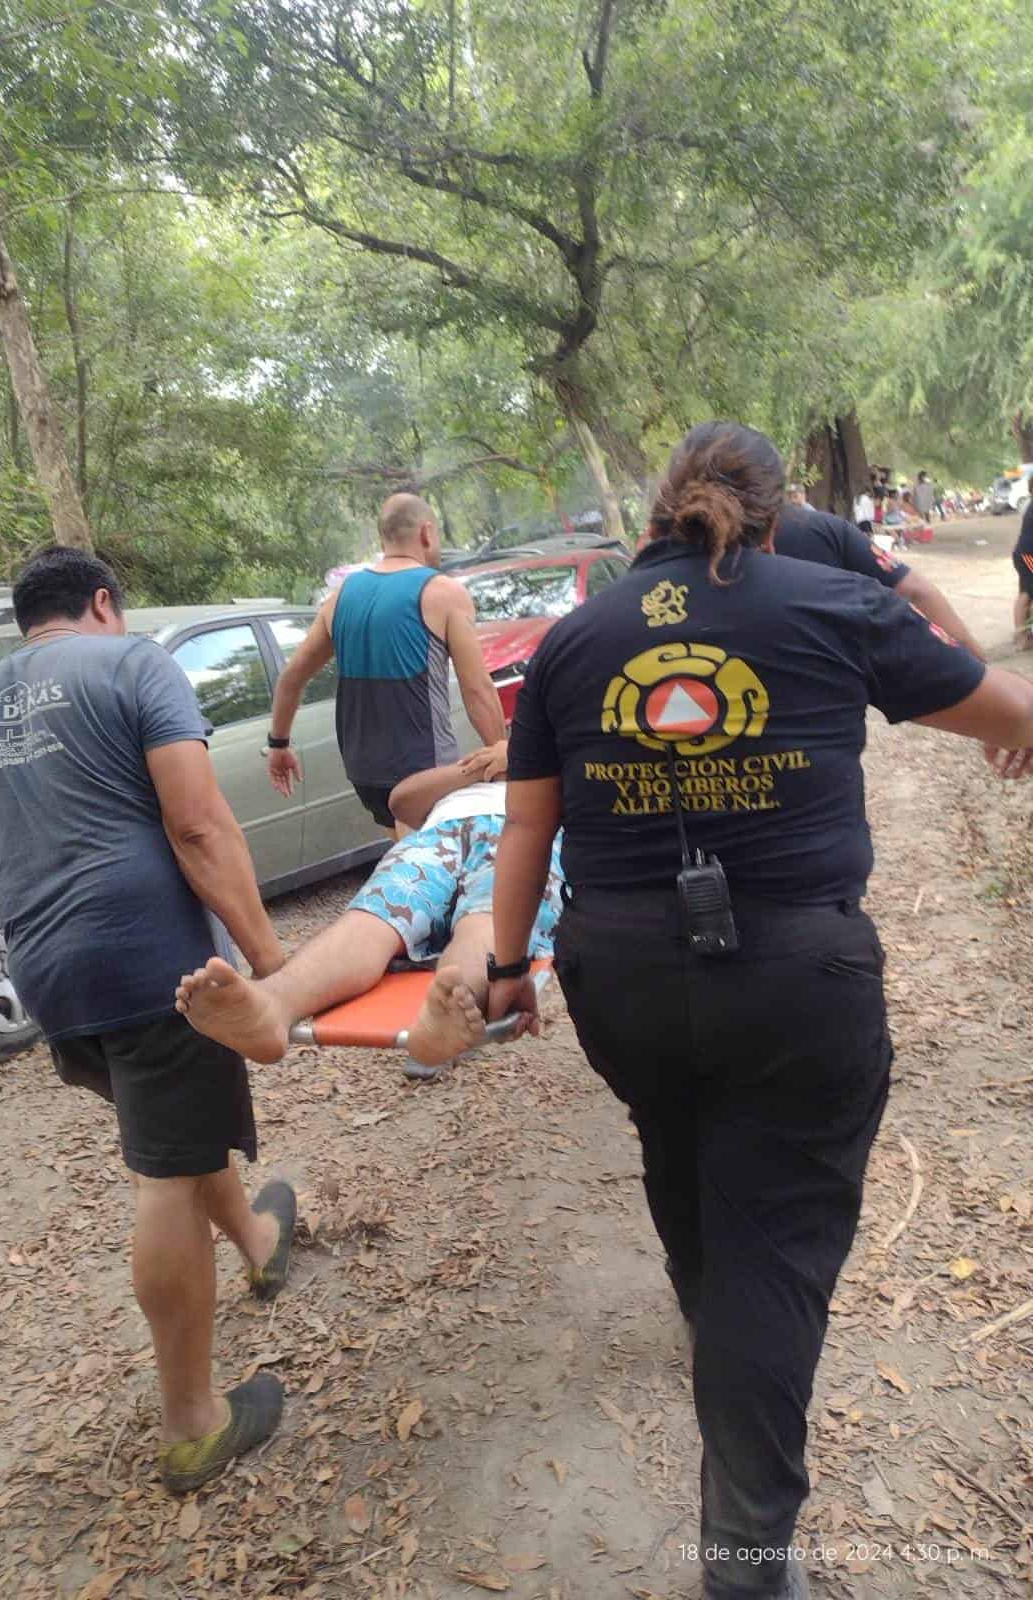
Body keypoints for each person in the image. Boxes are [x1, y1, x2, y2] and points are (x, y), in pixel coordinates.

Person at [484, 422, 1033, 1600]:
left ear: (655, 513)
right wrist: (1021, 731)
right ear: (779, 518)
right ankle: (745, 1555)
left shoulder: (575, 640)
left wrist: (500, 968)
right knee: (774, 1251)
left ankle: (709, 1308)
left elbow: (528, 823)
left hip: (617, 971)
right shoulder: (831, 605)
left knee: (676, 1143)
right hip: (798, 975)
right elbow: (995, 707)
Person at [0, 546, 294, 1495]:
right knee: (165, 1172)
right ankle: (192, 1427)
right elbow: (200, 825)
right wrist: (272, 965)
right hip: (156, 964)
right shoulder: (136, 664)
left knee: (168, 1126)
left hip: (47, 979)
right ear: (102, 604)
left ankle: (257, 1240)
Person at [175, 740, 564, 1069]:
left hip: (524, 834)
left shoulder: (566, 765)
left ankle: (445, 1009)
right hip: (439, 834)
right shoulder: (481, 764)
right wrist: (481, 768)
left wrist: (537, 761)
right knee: (375, 915)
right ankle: (273, 1006)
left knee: (489, 918)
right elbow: (402, 801)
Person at [264, 493, 506, 833]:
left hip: (365, 774)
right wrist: (502, 761)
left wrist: (279, 745)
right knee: (436, 874)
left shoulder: (342, 595)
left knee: (408, 859)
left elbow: (291, 677)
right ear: (427, 533)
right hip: (423, 772)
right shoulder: (441, 592)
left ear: (383, 537)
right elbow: (477, 688)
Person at [773, 498, 985, 659]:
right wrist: (970, 651)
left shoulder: (745, 549)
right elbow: (916, 589)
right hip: (828, 677)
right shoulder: (824, 528)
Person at [1012, 493, 1033, 651]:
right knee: (1027, 595)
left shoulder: (1030, 504)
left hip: (1023, 553)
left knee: (1025, 593)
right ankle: (1025, 638)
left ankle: (1022, 636)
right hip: (1029, 555)